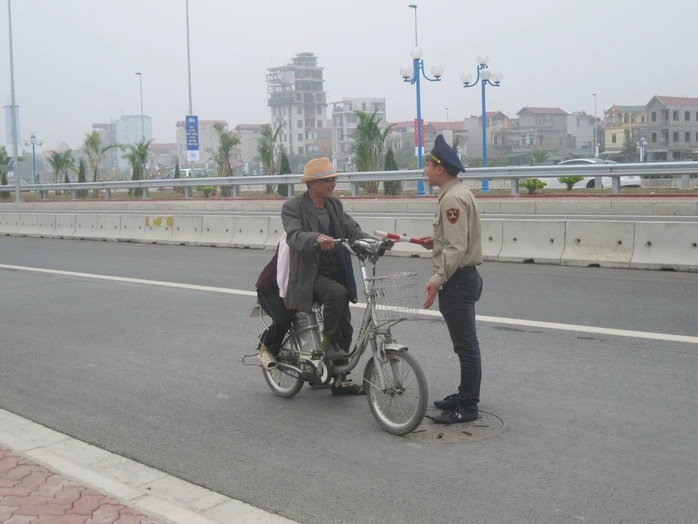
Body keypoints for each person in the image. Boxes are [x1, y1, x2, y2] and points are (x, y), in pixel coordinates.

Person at [281, 157, 372, 395]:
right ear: (313, 184)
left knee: (347, 328)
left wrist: (370, 241)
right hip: (311, 275)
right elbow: (294, 236)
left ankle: (340, 381)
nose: (333, 183)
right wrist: (316, 239)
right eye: (328, 180)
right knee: (337, 294)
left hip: (336, 270)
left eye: (334, 179)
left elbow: (351, 227)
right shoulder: (294, 207)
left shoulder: (334, 205)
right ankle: (328, 344)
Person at [419, 135, 484, 424]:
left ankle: (468, 406)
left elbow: (457, 249)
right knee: (464, 345)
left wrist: (435, 280)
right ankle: (463, 394)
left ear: (440, 168)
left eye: (428, 165)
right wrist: (434, 241)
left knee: (466, 347)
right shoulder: (457, 192)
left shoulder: (452, 199)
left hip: (457, 280)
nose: (425, 170)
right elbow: (456, 239)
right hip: (463, 278)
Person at [255, 239, 294, 370]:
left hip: (294, 288)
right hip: (271, 289)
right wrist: (285, 294)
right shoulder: (290, 238)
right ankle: (266, 349)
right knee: (282, 320)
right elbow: (283, 269)